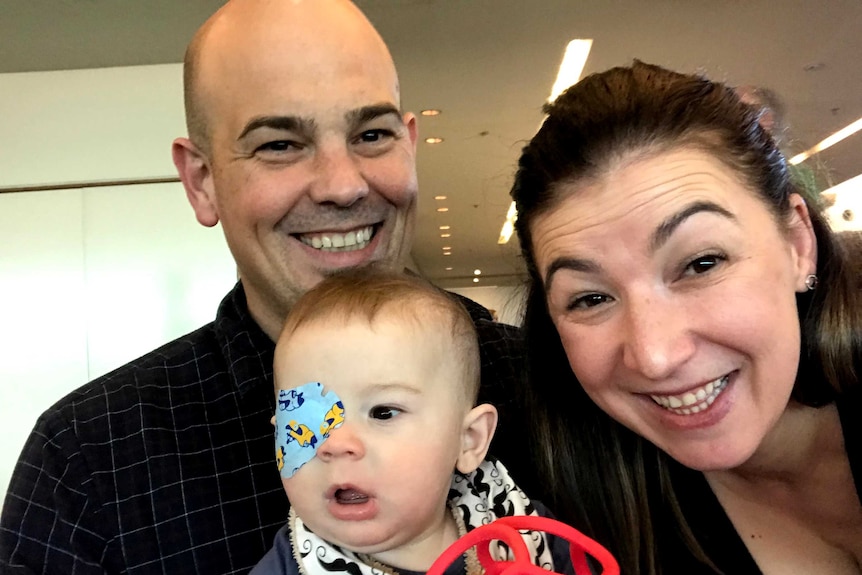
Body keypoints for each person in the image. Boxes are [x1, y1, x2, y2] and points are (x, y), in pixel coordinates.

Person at [0, 1, 530, 572]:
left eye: (372, 134)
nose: (343, 186)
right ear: (202, 182)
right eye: (279, 144)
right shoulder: (88, 462)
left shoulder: (544, 386)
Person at [510, 60, 862, 574]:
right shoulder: (548, 492)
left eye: (701, 264)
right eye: (589, 299)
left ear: (797, 244)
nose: (654, 357)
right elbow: (345, 421)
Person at [249, 267, 572, 575]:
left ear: (470, 439)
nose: (335, 444)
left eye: (383, 413)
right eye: (305, 420)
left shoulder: (524, 527)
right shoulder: (286, 566)